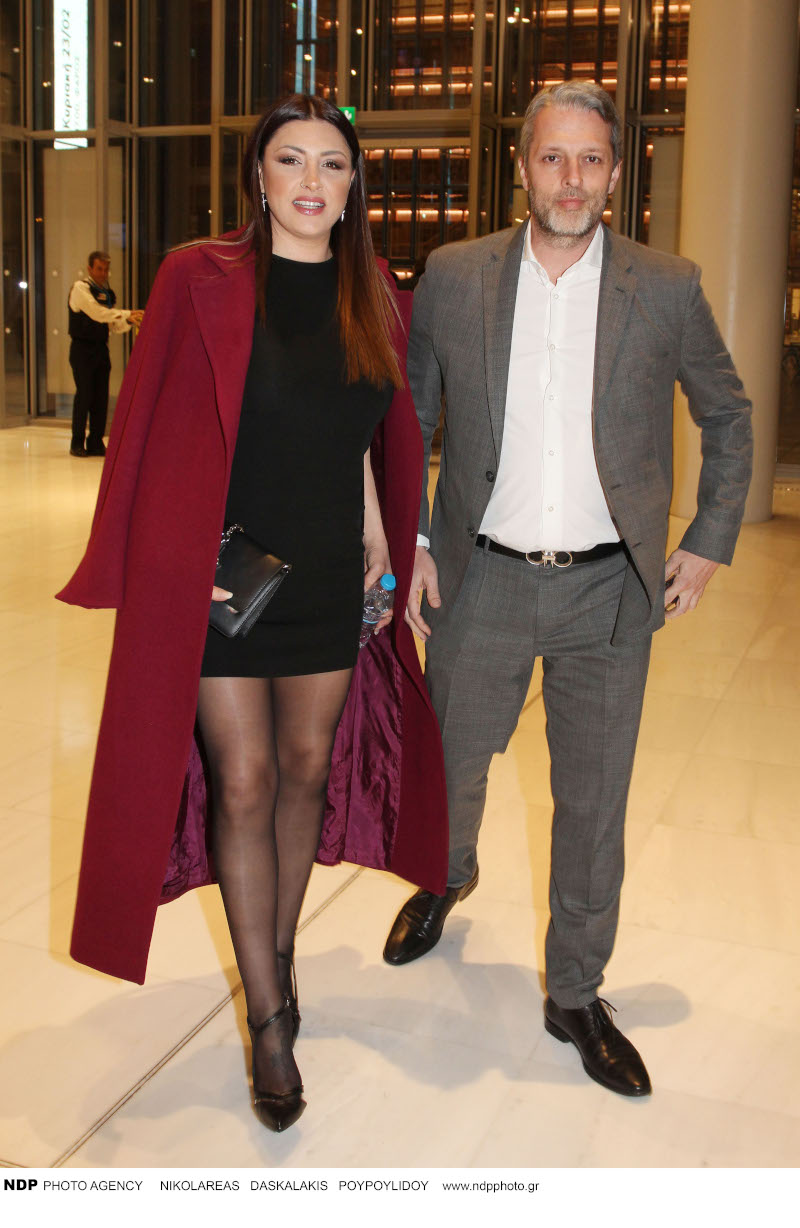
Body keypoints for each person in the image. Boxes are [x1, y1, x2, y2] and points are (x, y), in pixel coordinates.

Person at [57, 95, 448, 1133]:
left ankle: (273, 954)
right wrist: (162, 563)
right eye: (290, 160)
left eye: (332, 163)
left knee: (306, 770)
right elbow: (146, 429)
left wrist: (382, 527)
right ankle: (269, 1020)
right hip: (223, 579)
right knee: (242, 779)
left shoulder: (377, 294)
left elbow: (365, 426)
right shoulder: (198, 276)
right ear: (259, 178)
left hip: (325, 578)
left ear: (353, 185)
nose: (312, 180)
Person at [382, 80, 753, 1098]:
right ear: (522, 168)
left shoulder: (664, 286)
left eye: (591, 159)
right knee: (449, 766)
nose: (571, 179)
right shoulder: (455, 276)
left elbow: (728, 415)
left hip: (607, 596)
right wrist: (412, 539)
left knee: (590, 805)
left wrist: (708, 539)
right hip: (480, 581)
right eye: (553, 157)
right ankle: (446, 876)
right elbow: (410, 419)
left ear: (615, 173)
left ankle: (576, 993)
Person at [67, 251, 143, 456]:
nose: (103, 273)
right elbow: (97, 313)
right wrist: (127, 313)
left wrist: (128, 321)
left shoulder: (107, 294)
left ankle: (96, 442)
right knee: (84, 395)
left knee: (101, 397)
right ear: (90, 268)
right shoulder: (81, 288)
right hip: (82, 350)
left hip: (101, 350)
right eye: (99, 269)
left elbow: (111, 325)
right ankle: (76, 443)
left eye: (106, 269)